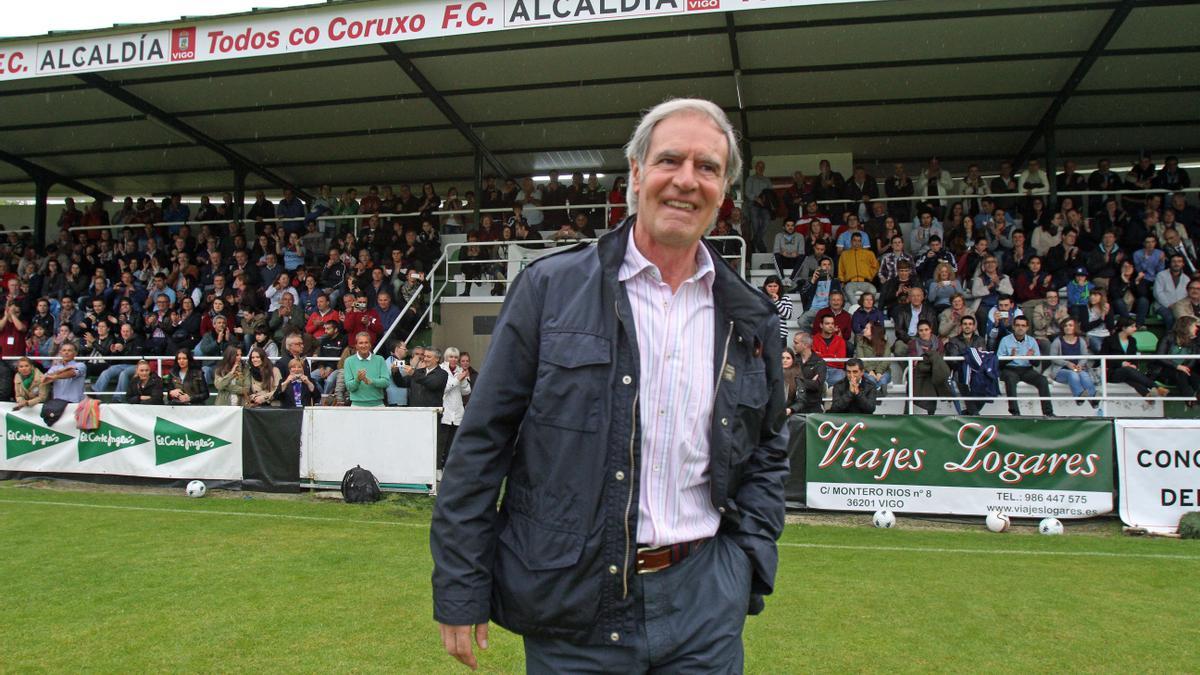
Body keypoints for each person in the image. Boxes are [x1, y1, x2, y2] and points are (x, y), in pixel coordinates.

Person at [431, 99, 787, 673]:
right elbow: (480, 445)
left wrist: (747, 559)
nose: (686, 181)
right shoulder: (549, 288)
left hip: (705, 603)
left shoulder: (750, 317)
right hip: (576, 607)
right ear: (636, 172)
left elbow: (769, 447)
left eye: (708, 167)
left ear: (724, 192)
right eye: (670, 160)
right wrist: (459, 585)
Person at [997, 316, 1054, 416]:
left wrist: (1030, 358)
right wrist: (1010, 357)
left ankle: (1048, 413)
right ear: (1013, 327)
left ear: (1027, 328)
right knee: (1010, 379)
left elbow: (1037, 363)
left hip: (1027, 370)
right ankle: (1015, 413)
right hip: (1009, 369)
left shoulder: (1032, 341)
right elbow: (998, 363)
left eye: (1023, 325)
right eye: (1018, 325)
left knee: (1042, 380)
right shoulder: (1005, 340)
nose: (1020, 328)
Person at [1049, 318, 1098, 407]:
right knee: (1072, 374)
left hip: (1077, 368)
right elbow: (1053, 357)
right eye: (1065, 325)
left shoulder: (1081, 341)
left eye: (1070, 325)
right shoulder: (1057, 341)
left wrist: (1080, 365)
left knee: (1084, 375)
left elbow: (1084, 356)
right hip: (1060, 371)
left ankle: (1093, 398)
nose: (1067, 327)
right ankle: (1079, 397)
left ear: (1075, 327)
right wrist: (1067, 363)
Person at [438, 347, 473, 469]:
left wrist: (463, 380)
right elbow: (443, 388)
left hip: (457, 412)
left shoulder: (460, 370)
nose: (453, 359)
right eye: (451, 357)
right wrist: (457, 380)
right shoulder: (440, 370)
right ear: (446, 358)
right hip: (445, 411)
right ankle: (438, 467)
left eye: (456, 357)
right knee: (441, 442)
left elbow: (466, 391)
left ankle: (448, 467)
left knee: (452, 443)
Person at [1155, 315, 1200, 406]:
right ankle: (1189, 399)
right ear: (1187, 326)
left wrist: (1185, 368)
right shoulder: (1168, 337)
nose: (1197, 328)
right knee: (1181, 373)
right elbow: (1159, 356)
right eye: (1195, 326)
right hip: (1164, 370)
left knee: (1195, 377)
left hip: (1183, 371)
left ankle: (1196, 398)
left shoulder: (1194, 342)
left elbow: (1193, 360)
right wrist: (1178, 366)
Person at [342, 331, 389, 407]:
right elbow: (349, 387)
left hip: (378, 404)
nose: (364, 345)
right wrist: (358, 379)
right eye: (361, 343)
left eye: (366, 342)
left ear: (370, 345)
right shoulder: (349, 361)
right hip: (357, 405)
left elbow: (386, 382)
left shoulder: (380, 359)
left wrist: (371, 381)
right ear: (356, 346)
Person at [790, 332, 826, 414]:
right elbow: (788, 381)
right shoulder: (793, 360)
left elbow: (817, 385)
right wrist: (809, 382)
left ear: (805, 345)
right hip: (795, 405)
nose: (793, 345)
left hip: (813, 406)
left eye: (796, 343)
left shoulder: (819, 362)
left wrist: (797, 380)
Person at [813, 314, 848, 385]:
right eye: (827, 323)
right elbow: (814, 360)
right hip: (819, 369)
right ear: (821, 325)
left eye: (832, 323)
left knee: (842, 377)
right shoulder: (813, 339)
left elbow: (840, 362)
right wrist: (833, 356)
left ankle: (826, 388)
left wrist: (821, 356)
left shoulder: (840, 341)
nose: (831, 326)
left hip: (836, 370)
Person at [762, 275, 792, 343]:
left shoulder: (786, 298)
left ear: (779, 287)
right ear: (765, 287)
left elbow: (788, 315)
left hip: (780, 336)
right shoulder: (761, 299)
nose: (772, 288)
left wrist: (777, 302)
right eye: (770, 286)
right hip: (764, 336)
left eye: (775, 286)